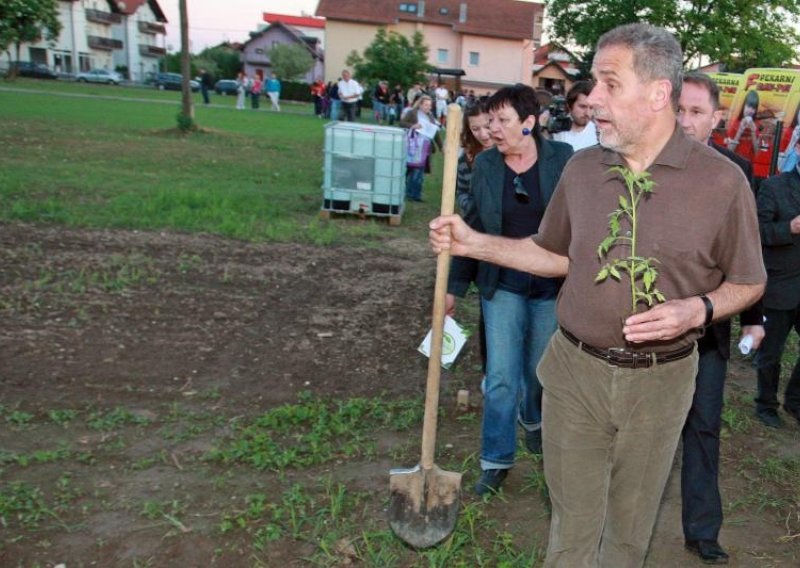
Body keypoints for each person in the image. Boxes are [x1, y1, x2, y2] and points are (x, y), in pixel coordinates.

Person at [429, 23, 765, 567]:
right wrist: (477, 244)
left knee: (629, 533)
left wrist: (697, 309)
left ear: (658, 94)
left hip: (661, 382)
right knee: (571, 528)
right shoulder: (583, 169)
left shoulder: (722, 182)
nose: (592, 99)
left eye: (610, 84)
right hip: (574, 374)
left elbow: (750, 282)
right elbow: (556, 253)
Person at [447, 86, 572, 497]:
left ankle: (533, 419)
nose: (492, 131)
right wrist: (454, 286)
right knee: (501, 376)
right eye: (490, 121)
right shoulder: (486, 165)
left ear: (529, 123)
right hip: (501, 285)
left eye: (502, 121)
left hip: (550, 286)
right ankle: (496, 459)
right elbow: (475, 224)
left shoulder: (562, 161)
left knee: (539, 371)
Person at [676, 71, 766, 564]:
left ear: (714, 119)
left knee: (703, 424)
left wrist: (754, 315)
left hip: (709, 325)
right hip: (643, 326)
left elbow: (745, 253)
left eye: (696, 112)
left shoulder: (735, 172)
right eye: (679, 110)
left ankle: (702, 529)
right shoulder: (642, 165)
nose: (685, 121)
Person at [754, 137, 800, 429]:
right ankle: (766, 404)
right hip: (781, 285)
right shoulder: (774, 187)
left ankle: (795, 400)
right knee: (771, 351)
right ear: (798, 149)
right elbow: (757, 232)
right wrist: (790, 228)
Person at [399, 95, 440, 202]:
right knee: (408, 170)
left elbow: (435, 132)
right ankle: (404, 191)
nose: (428, 107)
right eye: (426, 105)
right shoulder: (412, 113)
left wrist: (440, 146)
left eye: (430, 105)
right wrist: (413, 126)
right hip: (412, 146)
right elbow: (402, 123)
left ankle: (414, 194)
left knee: (419, 172)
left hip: (424, 149)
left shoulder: (430, 116)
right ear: (420, 104)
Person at [553, 80, 598, 151]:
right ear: (569, 106)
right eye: (582, 106)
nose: (588, 113)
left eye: (591, 108)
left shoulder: (599, 134)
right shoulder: (555, 129)